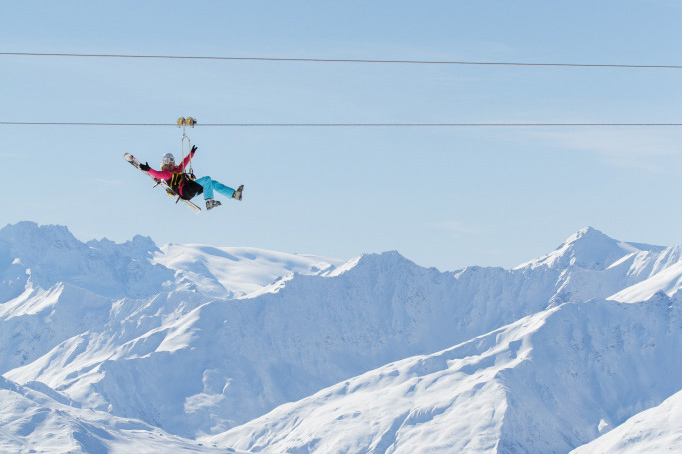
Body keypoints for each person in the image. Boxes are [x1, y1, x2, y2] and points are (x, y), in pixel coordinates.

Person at [139, 145, 243, 210]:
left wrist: (191, 153)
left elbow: (184, 162)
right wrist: (148, 169)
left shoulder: (177, 170)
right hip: (185, 190)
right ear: (165, 162)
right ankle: (209, 202)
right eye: (169, 160)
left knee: (211, 182)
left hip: (189, 191)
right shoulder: (167, 173)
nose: (171, 162)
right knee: (207, 179)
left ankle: (234, 194)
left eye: (172, 160)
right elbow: (157, 174)